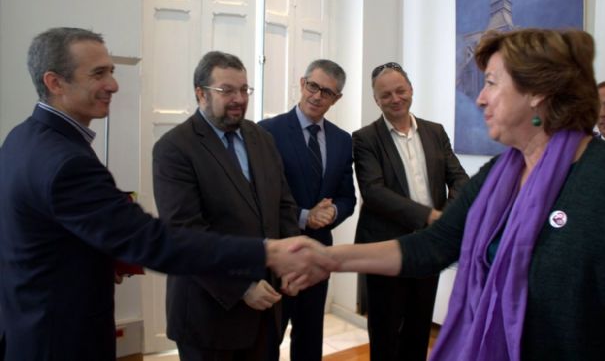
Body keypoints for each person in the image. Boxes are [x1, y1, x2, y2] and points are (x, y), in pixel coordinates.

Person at [0, 27, 335, 361]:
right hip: (62, 339)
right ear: (55, 82)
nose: (114, 84)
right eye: (99, 73)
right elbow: (158, 239)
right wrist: (263, 254)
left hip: (33, 324)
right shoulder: (72, 160)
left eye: (111, 71)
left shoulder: (23, 138)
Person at [318, 29, 605, 361]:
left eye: (491, 83)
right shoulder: (501, 173)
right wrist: (327, 259)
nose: (481, 98)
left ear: (536, 92)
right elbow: (433, 245)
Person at [152, 51, 301, 360]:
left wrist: (290, 262)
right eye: (227, 90)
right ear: (200, 93)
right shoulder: (174, 148)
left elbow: (284, 206)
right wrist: (241, 287)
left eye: (244, 89)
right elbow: (185, 234)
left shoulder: (262, 138)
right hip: (209, 315)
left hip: (266, 310)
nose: (239, 99)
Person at [351, 62, 469, 361]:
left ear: (411, 90)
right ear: (376, 100)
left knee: (418, 329)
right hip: (385, 248)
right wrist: (429, 217)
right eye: (386, 94)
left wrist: (447, 218)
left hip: (429, 247)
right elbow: (374, 193)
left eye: (400, 90)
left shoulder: (435, 132)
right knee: (385, 333)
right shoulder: (365, 138)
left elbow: (459, 179)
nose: (395, 99)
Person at [259, 59, 356, 361]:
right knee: (266, 340)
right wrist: (304, 216)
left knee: (310, 338)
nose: (317, 96)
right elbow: (261, 199)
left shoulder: (342, 140)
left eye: (327, 92)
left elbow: (347, 197)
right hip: (278, 256)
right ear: (302, 84)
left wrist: (333, 212)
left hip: (318, 255)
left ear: (336, 98)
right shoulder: (267, 132)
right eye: (313, 86)